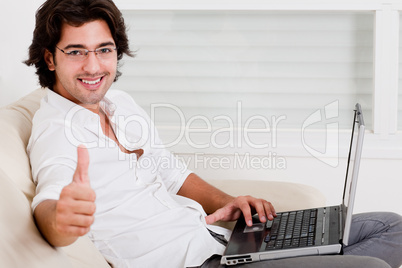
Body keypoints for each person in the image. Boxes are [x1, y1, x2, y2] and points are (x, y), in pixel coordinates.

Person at [24, 0, 402, 267]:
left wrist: (230, 202)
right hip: (189, 263)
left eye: (103, 49)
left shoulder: (118, 103)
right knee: (368, 265)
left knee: (392, 226)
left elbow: (170, 171)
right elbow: (50, 202)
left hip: (218, 242)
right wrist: (62, 219)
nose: (94, 65)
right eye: (76, 52)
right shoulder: (55, 131)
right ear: (50, 57)